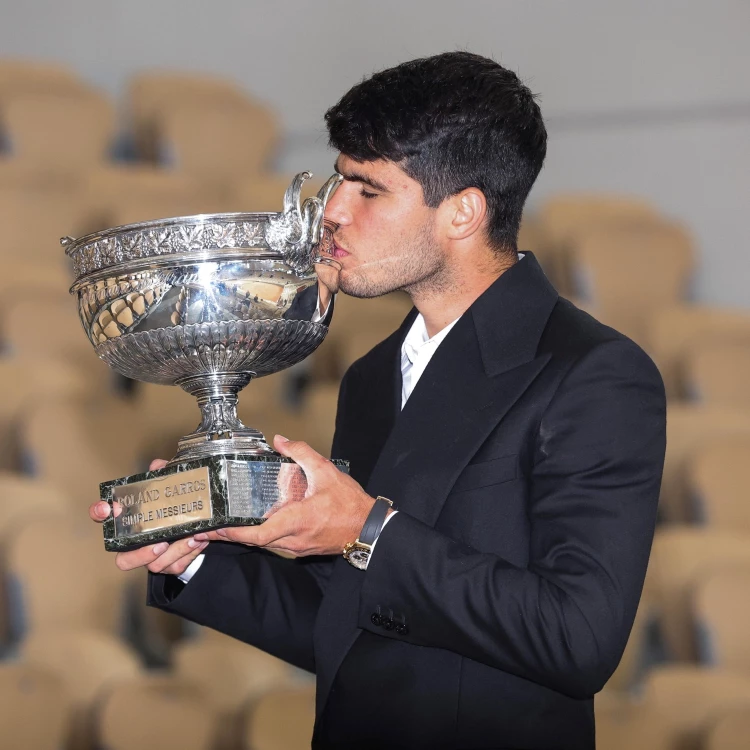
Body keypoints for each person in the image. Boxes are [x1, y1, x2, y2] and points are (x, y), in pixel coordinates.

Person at [90, 51, 666, 749]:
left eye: (368, 190)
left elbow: (578, 637)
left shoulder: (594, 373)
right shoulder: (371, 375)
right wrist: (198, 556)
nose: (331, 211)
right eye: (338, 178)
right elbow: (356, 626)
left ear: (463, 213)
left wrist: (368, 532)